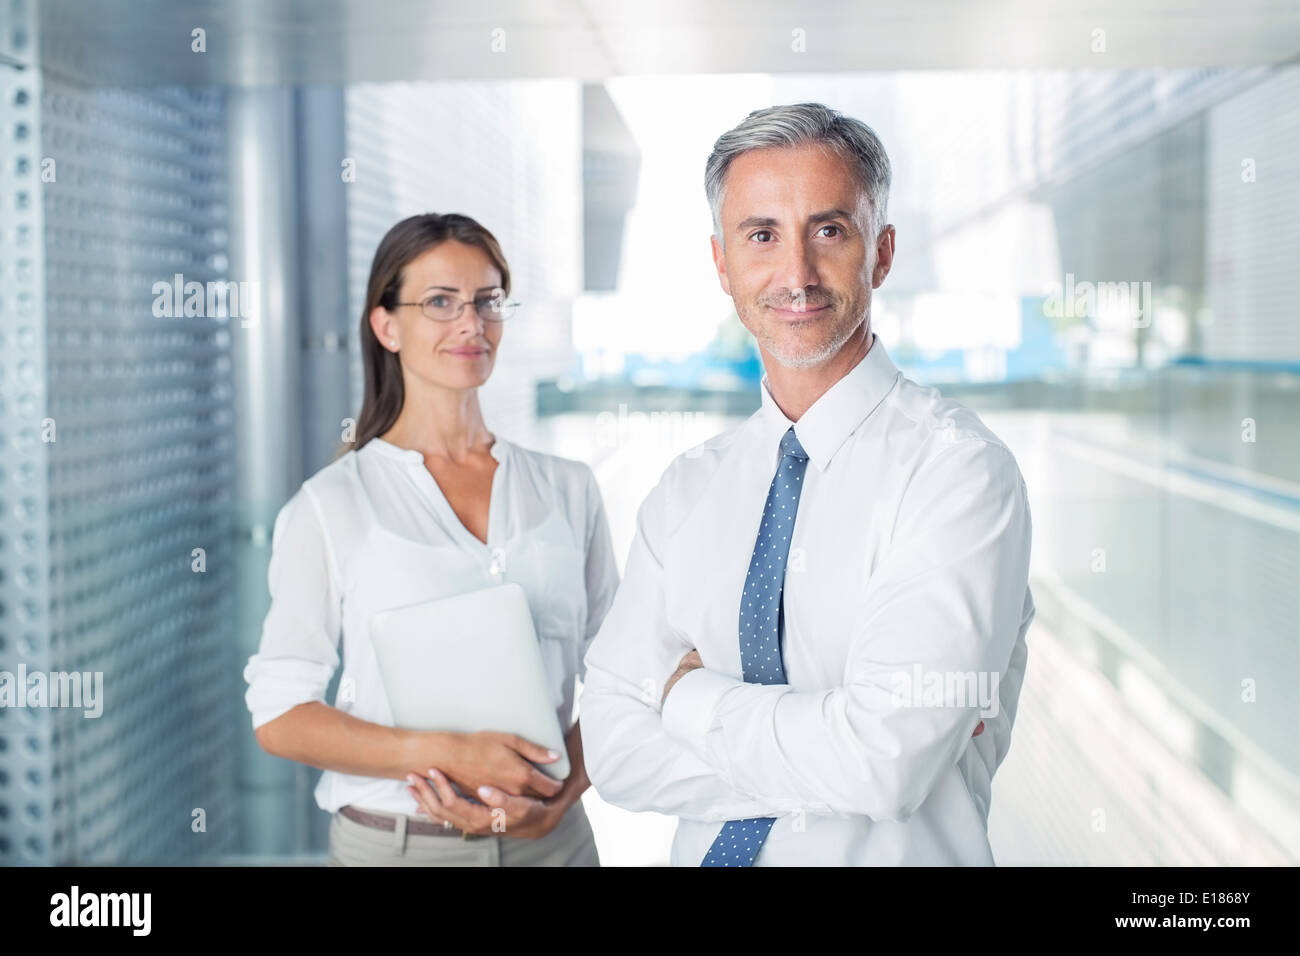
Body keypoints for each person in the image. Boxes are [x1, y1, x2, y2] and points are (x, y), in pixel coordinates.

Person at [579, 103, 1035, 866]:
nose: (796, 275)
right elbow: (616, 751)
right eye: (762, 236)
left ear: (881, 253)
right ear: (723, 264)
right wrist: (834, 745)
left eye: (829, 231)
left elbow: (887, 765)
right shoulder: (687, 492)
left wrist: (681, 697)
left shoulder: (957, 475)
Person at [244, 212, 618, 866]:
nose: (471, 323)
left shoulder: (569, 489)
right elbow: (280, 715)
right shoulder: (331, 506)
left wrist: (564, 796)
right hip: (400, 849)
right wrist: (443, 752)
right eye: (441, 302)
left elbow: (623, 675)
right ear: (386, 326)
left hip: (555, 843)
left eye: (486, 301)